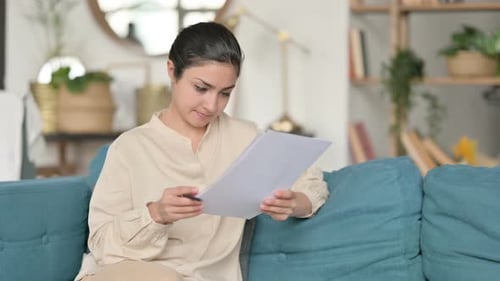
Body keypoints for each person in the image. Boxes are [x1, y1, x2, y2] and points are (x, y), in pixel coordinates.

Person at [76, 21, 329, 281]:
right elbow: (101, 243)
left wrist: (294, 203)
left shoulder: (246, 138)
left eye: (225, 93)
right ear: (172, 72)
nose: (211, 105)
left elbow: (310, 180)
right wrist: (156, 214)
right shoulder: (129, 147)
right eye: (201, 88)